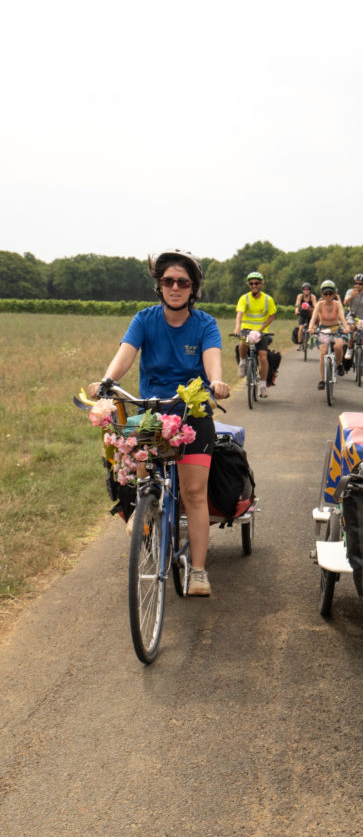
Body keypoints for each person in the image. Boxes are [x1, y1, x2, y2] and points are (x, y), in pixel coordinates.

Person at [88, 249, 230, 598]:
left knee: (195, 494)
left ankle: (197, 570)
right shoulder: (145, 319)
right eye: (168, 281)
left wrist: (217, 381)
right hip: (152, 410)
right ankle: (142, 505)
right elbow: (125, 355)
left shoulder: (205, 324)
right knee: (135, 448)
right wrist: (107, 380)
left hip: (191, 414)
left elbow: (213, 361)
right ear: (159, 286)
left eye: (183, 282)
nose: (175, 287)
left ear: (193, 288)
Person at [234, 271, 277, 399]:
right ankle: (242, 362)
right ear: (249, 284)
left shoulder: (268, 299)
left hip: (261, 331)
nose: (254, 285)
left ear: (261, 284)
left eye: (256, 283)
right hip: (246, 328)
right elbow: (239, 313)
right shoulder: (244, 298)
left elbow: (272, 316)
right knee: (243, 342)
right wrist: (237, 327)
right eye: (251, 283)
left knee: (263, 357)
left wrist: (261, 329)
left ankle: (263, 386)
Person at [308, 280, 350, 389]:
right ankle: (322, 380)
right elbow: (313, 318)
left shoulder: (337, 304)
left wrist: (346, 328)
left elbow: (342, 317)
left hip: (336, 329)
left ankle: (339, 364)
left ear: (334, 294)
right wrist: (310, 328)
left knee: (338, 346)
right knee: (324, 352)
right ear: (322, 294)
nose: (328, 296)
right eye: (325, 293)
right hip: (323, 329)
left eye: (330, 293)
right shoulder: (319, 304)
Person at [343, 273, 363, 373]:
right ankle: (349, 348)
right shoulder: (350, 292)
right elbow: (344, 303)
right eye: (356, 283)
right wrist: (351, 296)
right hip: (352, 316)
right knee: (351, 328)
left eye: (360, 284)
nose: (358, 285)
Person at [294, 282, 317, 347]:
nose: (306, 290)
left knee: (312, 328)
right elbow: (297, 304)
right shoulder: (300, 296)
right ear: (302, 290)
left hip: (310, 314)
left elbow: (315, 305)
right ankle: (299, 343)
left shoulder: (312, 297)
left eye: (308, 289)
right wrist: (296, 311)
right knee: (301, 328)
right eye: (305, 289)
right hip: (302, 314)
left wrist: (313, 309)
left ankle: (311, 342)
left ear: (310, 290)